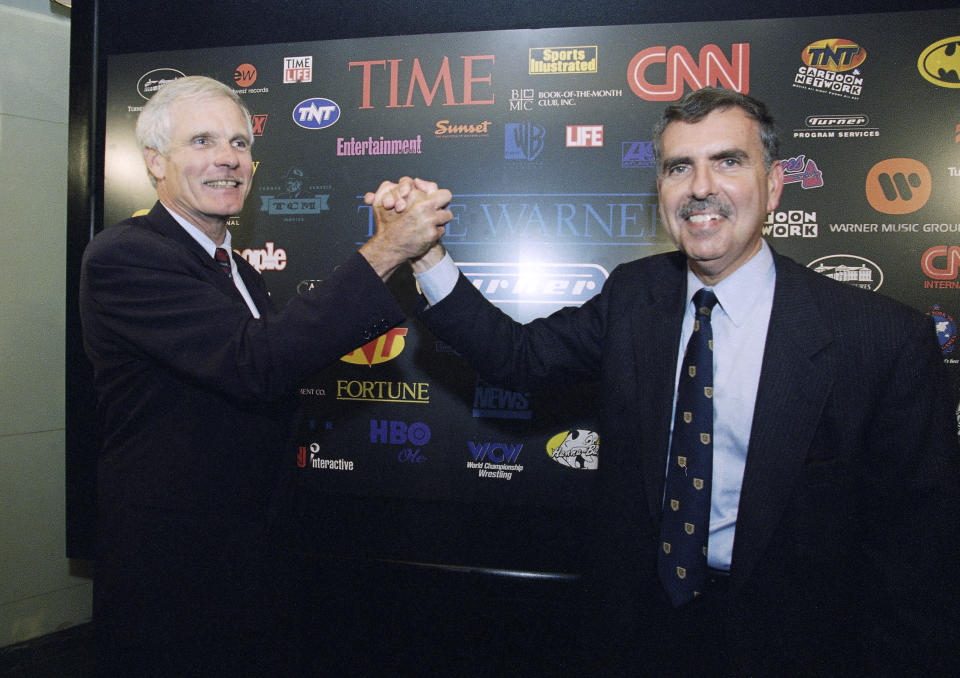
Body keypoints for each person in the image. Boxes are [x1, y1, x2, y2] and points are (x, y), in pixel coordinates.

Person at [370, 88, 960, 675]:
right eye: (680, 167)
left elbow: (917, 559)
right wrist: (425, 256)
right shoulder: (634, 293)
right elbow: (519, 359)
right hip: (637, 630)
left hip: (797, 642)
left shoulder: (881, 340)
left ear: (775, 185)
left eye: (728, 161)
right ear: (661, 190)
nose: (701, 187)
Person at [79, 75, 451, 676]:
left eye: (239, 143)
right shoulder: (127, 255)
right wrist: (384, 250)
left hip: (253, 554)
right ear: (155, 163)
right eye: (201, 141)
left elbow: (281, 361)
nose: (227, 158)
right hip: (174, 570)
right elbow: (255, 364)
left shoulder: (238, 271)